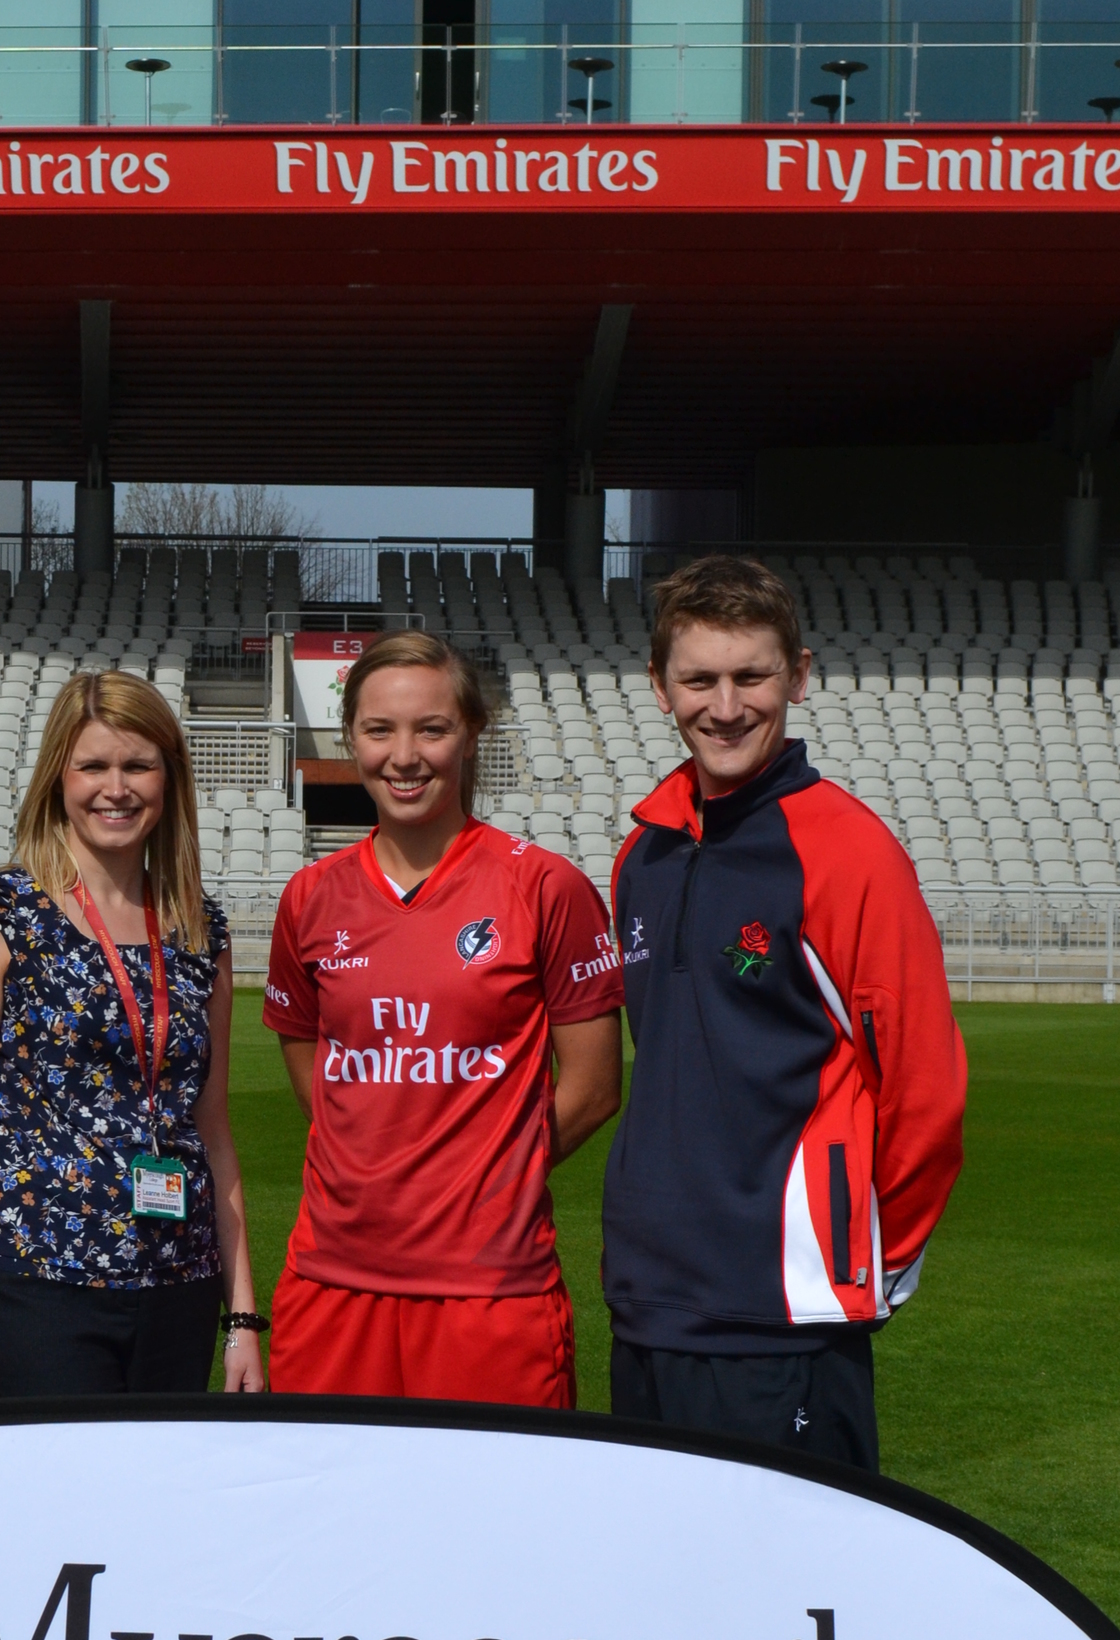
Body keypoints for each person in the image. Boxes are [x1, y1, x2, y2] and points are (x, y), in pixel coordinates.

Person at [602, 553, 967, 1471]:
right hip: (647, 1298)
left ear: (798, 676)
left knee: (787, 1603)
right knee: (658, 1598)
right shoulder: (639, 856)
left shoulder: (849, 853)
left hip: (782, 1310)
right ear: (659, 687)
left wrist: (868, 1257)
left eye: (751, 675)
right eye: (699, 679)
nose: (725, 706)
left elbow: (924, 1085)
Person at [262, 630, 623, 1407]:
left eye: (431, 728)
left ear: (470, 733)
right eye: (379, 729)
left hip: (490, 1292)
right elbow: (305, 1050)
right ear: (350, 737)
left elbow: (594, 1086)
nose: (405, 755)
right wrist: (372, 1164)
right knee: (329, 1519)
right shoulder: (311, 896)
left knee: (492, 1523)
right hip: (332, 1281)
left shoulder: (546, 887)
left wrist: (491, 1174)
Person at [0, 668, 264, 1398]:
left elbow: (212, 1129)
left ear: (169, 779)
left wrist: (242, 1318)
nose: (117, 787)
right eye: (94, 766)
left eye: (139, 765)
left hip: (179, 1284)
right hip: (39, 1280)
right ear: (59, 777)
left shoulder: (200, 930)